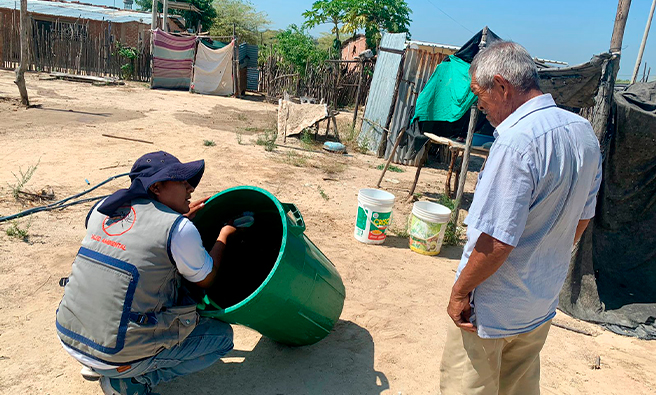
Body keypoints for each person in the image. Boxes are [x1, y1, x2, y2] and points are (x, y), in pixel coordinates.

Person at [439, 41, 603, 395]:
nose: (480, 108)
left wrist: (459, 293)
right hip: (539, 302)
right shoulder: (584, 134)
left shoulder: (516, 143)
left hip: (489, 313)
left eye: (480, 97)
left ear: (502, 86)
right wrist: (541, 256)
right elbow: (581, 219)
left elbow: (497, 241)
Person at [56, 151, 236, 395]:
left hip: (70, 333)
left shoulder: (104, 207)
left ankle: (97, 364)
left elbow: (134, 241)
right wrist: (224, 235)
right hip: (116, 351)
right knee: (222, 339)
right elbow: (206, 278)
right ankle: (131, 380)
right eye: (182, 181)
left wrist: (173, 218)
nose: (190, 188)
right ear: (157, 188)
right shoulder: (178, 229)